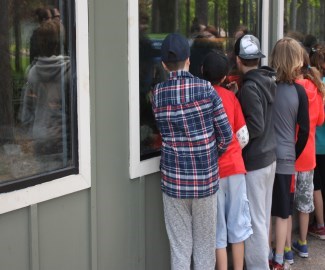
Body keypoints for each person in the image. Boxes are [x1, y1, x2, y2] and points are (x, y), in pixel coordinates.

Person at [151, 33, 232, 270]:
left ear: (164, 64)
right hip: (205, 181)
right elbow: (226, 134)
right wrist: (209, 156)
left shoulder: (157, 94)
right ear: (189, 60)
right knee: (205, 247)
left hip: (174, 182)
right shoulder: (206, 88)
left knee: (180, 247)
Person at [202, 51, 252, 270]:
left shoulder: (200, 98)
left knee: (218, 229)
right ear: (224, 77)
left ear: (202, 72)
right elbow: (243, 136)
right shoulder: (231, 97)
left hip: (212, 172)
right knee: (238, 225)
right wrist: (232, 151)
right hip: (235, 168)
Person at [234, 34, 277, 270]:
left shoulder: (250, 87)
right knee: (262, 217)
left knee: (255, 221)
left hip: (257, 161)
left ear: (238, 60)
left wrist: (238, 143)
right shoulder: (267, 80)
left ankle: (259, 266)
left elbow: (256, 125)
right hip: (270, 157)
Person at [269, 37, 310, 270]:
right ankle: (279, 257)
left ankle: (264, 253)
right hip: (286, 157)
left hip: (264, 157)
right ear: (296, 61)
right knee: (283, 211)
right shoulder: (299, 92)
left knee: (265, 208)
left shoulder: (267, 86)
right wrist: (293, 153)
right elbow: (303, 130)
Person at [20, 20, 71, 170]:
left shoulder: (32, 72)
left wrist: (32, 132)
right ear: (61, 43)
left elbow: (26, 113)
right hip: (62, 140)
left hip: (39, 138)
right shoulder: (71, 71)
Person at [307, 44, 325, 240]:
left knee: (317, 186)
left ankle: (320, 225)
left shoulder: (318, 86)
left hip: (316, 145)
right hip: (319, 144)